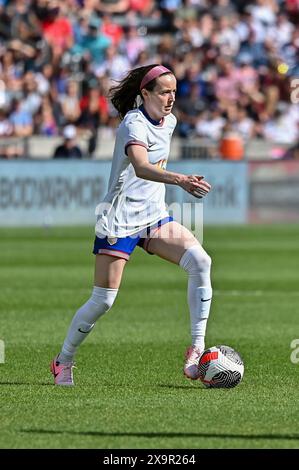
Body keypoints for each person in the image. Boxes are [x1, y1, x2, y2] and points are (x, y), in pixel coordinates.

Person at [50, 64, 212, 386]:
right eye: (165, 92)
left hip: (153, 216)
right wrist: (180, 180)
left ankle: (196, 348)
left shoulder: (171, 122)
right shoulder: (132, 123)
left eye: (174, 92)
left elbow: (155, 166)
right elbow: (140, 166)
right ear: (145, 93)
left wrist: (173, 183)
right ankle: (63, 360)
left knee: (200, 261)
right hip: (119, 218)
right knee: (103, 301)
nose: (171, 98)